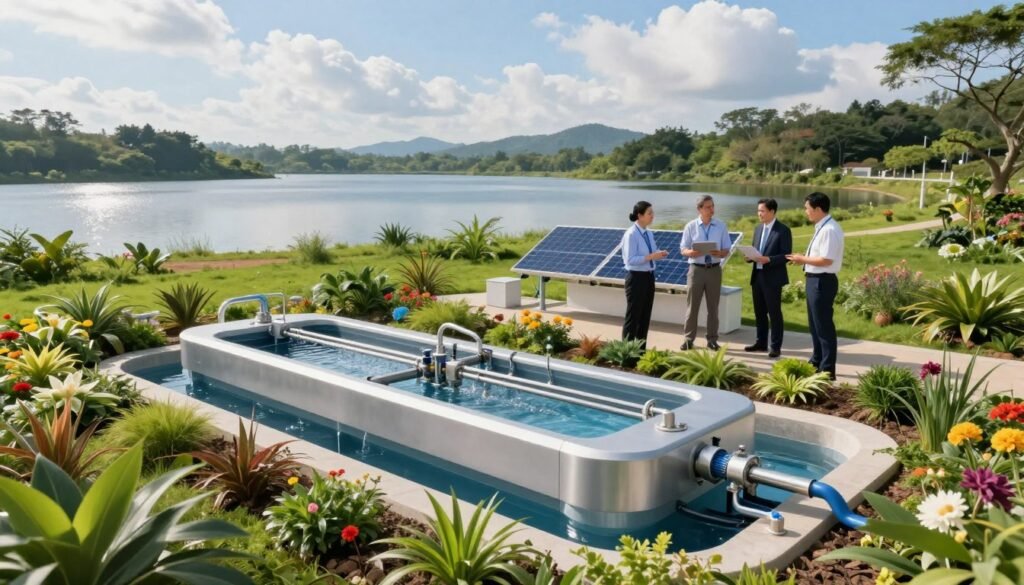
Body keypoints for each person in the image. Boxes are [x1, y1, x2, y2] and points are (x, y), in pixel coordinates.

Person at [786, 192, 844, 380]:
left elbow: (826, 260)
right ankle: (816, 361)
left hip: (822, 281)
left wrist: (802, 259)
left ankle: (827, 370)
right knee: (815, 325)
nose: (805, 212)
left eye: (807, 208)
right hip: (815, 280)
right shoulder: (823, 227)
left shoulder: (829, 230)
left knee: (823, 326)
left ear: (818, 209)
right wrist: (803, 259)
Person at [679, 195, 733, 350]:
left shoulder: (721, 226)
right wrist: (691, 252)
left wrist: (720, 253)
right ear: (700, 209)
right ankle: (688, 339)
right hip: (696, 270)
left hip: (714, 270)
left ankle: (712, 340)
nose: (712, 209)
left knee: (713, 308)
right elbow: (683, 249)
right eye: (708, 207)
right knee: (692, 307)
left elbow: (727, 249)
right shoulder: (691, 226)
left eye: (712, 206)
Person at [744, 198, 792, 358]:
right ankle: (761, 343)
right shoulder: (758, 229)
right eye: (758, 211)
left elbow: (786, 256)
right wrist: (749, 257)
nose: (759, 214)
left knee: (774, 313)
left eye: (762, 211)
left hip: (772, 278)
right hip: (757, 276)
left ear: (772, 211)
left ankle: (775, 347)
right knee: (759, 312)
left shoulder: (783, 230)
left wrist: (769, 259)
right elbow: (756, 250)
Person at [621, 201, 668, 347]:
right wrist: (651, 257)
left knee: (645, 317)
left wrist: (659, 254)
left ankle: (640, 351)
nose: (652, 216)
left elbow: (651, 252)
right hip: (636, 278)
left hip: (648, 277)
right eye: (649, 213)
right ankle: (627, 352)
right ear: (640, 215)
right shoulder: (631, 234)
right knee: (633, 317)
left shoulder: (648, 233)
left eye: (652, 213)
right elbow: (630, 260)